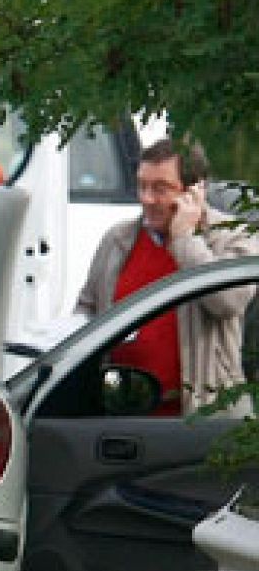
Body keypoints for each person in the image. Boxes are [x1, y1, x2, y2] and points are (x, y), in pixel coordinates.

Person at [75, 138, 259, 413]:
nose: (146, 198)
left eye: (160, 188)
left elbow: (227, 302)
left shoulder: (235, 236)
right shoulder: (118, 240)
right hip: (123, 416)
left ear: (194, 191)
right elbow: (87, 309)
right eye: (142, 185)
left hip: (201, 419)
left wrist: (184, 238)